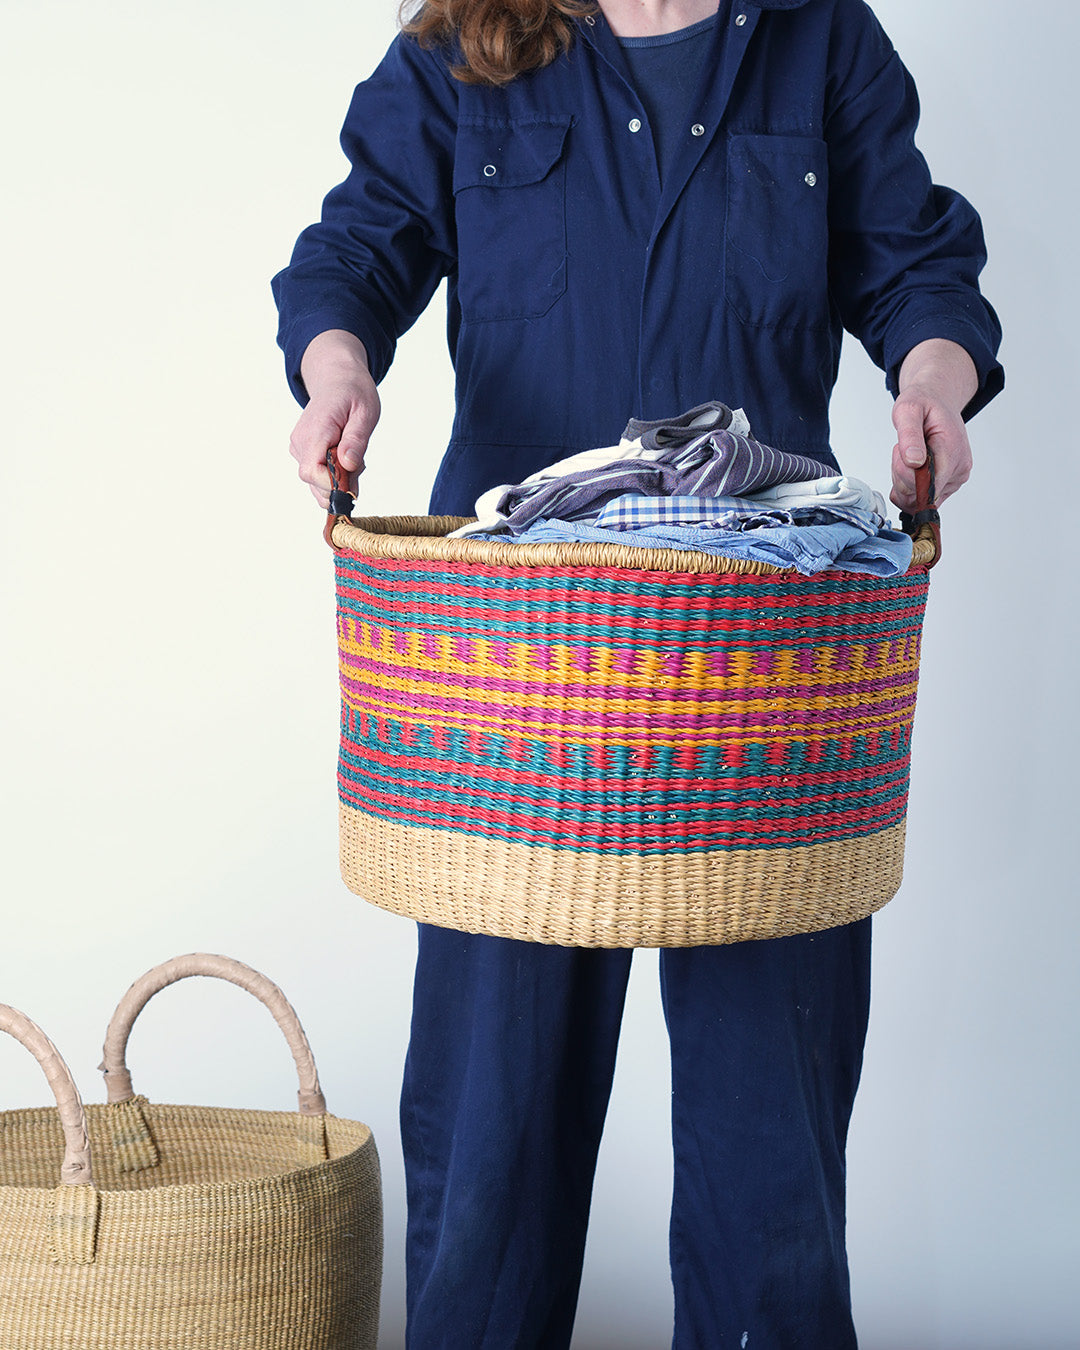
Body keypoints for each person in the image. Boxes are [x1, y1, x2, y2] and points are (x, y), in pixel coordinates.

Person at [273, 2, 1002, 1345]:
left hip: (765, 675)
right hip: (518, 683)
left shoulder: (821, 38)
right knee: (491, 1150)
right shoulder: (465, 42)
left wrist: (933, 386)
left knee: (770, 1156)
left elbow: (920, 269)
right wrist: (335, 376)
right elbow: (353, 251)